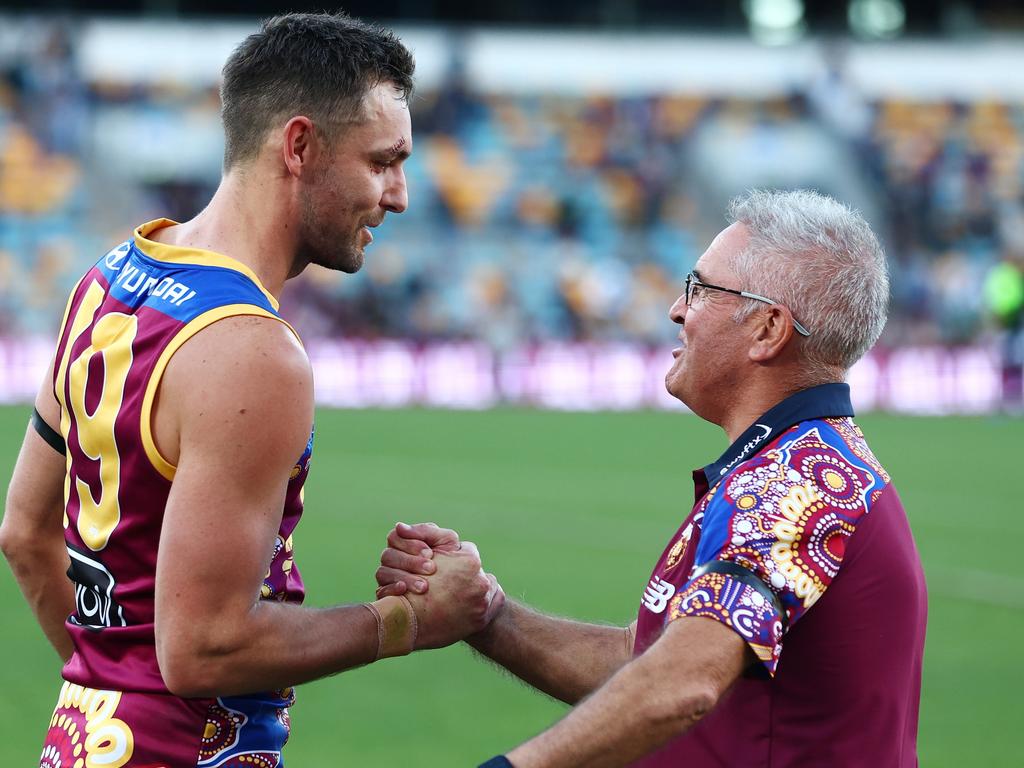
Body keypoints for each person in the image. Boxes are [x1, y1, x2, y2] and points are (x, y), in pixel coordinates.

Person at [0, 13, 501, 768]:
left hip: (82, 744)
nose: (398, 196)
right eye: (383, 162)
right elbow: (204, 649)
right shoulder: (252, 351)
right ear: (298, 146)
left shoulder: (106, 279)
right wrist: (408, 622)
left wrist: (114, 686)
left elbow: (25, 533)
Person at [378, 190, 927, 767]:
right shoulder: (802, 463)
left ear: (768, 330)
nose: (676, 309)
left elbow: (683, 680)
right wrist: (487, 614)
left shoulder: (798, 483)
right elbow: (649, 663)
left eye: (701, 290)